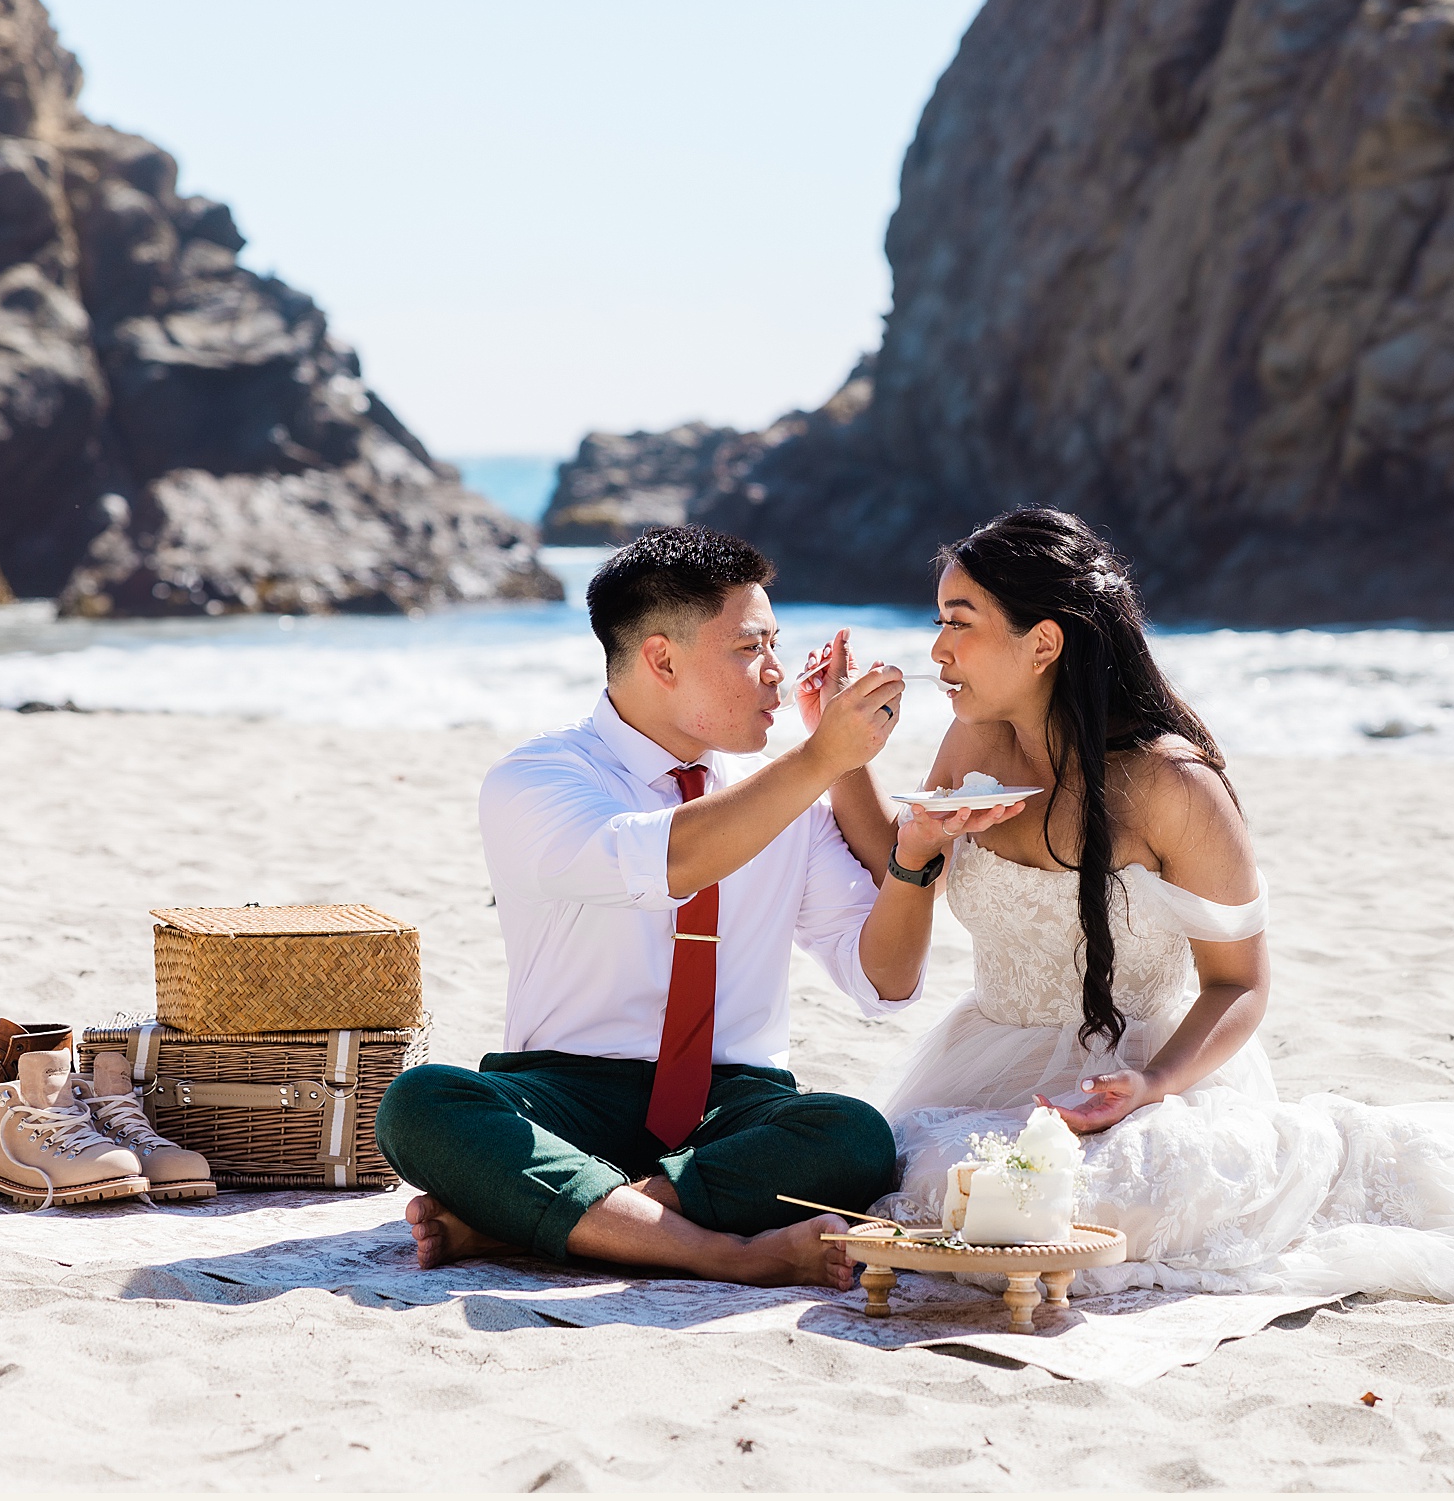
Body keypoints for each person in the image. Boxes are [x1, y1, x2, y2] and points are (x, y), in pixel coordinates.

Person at [853, 506, 1454, 1299]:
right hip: (979, 1062)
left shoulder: (1172, 785)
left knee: (1105, 1200)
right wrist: (903, 839)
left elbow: (1240, 982)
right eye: (939, 624)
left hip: (1147, 1071)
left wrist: (1150, 1084)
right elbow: (891, 960)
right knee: (931, 1180)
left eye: (958, 625)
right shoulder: (971, 743)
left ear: (1043, 643)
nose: (937, 652)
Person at [372, 525, 1022, 1287]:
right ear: (661, 658)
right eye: (751, 649)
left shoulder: (787, 796)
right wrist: (819, 759)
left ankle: (555, 1217)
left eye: (776, 643)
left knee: (852, 1135)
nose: (777, 672)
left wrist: (912, 854)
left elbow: (882, 982)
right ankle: (722, 1252)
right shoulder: (537, 779)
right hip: (567, 1091)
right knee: (419, 1103)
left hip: (733, 1105)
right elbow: (669, 858)